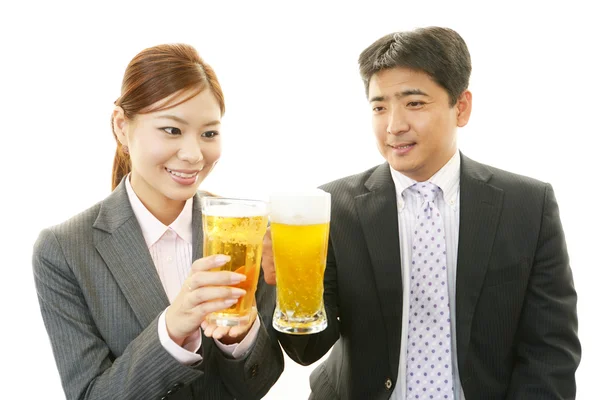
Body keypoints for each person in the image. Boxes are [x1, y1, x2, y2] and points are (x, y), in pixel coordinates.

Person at [262, 27, 580, 399]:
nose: (394, 125)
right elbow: (307, 351)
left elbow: (550, 351)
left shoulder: (528, 205)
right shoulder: (331, 207)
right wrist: (291, 288)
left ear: (461, 107)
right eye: (379, 106)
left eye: (413, 103)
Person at [33, 43, 283, 400]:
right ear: (122, 126)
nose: (194, 155)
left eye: (209, 133)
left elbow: (262, 380)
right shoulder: (64, 250)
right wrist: (170, 329)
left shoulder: (245, 227)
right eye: (171, 130)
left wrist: (238, 338)